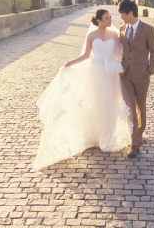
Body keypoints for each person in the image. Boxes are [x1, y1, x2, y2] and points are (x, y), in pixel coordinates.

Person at [33, 9, 131, 170]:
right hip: (95, 73)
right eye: (107, 18)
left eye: (110, 17)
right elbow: (86, 55)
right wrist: (70, 63)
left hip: (110, 75)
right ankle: (95, 135)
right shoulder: (91, 36)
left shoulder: (114, 34)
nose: (110, 20)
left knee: (111, 104)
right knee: (96, 105)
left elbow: (121, 52)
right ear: (98, 20)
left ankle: (106, 139)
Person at [118, 0, 154, 158]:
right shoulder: (121, 29)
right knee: (130, 107)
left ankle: (139, 131)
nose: (121, 17)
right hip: (125, 74)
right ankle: (134, 142)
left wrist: (150, 70)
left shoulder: (148, 29)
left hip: (142, 74)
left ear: (130, 13)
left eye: (122, 14)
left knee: (141, 106)